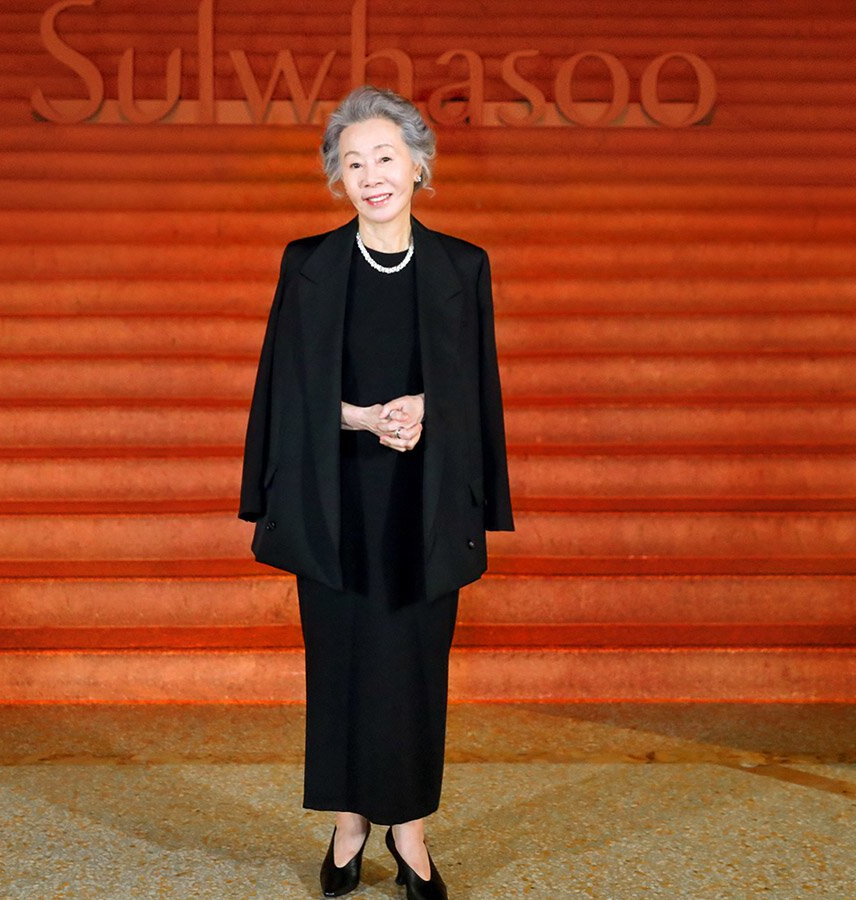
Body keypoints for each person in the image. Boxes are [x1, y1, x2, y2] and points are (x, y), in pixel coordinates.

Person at [238, 85, 514, 900]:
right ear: (338, 179)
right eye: (352, 163)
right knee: (342, 661)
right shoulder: (308, 263)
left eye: (385, 157)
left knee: (417, 665)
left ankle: (410, 832)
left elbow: (478, 389)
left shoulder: (464, 266)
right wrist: (360, 418)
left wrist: (428, 410)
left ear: (419, 165)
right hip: (336, 495)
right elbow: (283, 390)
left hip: (425, 500)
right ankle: (348, 823)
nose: (371, 175)